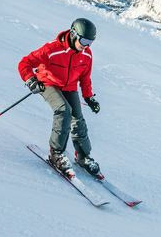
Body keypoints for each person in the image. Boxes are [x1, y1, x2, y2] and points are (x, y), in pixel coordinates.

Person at [18, 18, 102, 176]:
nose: (86, 45)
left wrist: (89, 97)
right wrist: (31, 80)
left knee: (77, 118)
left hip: (69, 87)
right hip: (47, 83)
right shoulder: (52, 49)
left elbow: (85, 79)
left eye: (90, 42)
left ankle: (83, 156)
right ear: (73, 34)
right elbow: (24, 63)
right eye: (84, 40)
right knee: (64, 110)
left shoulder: (87, 55)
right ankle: (56, 154)